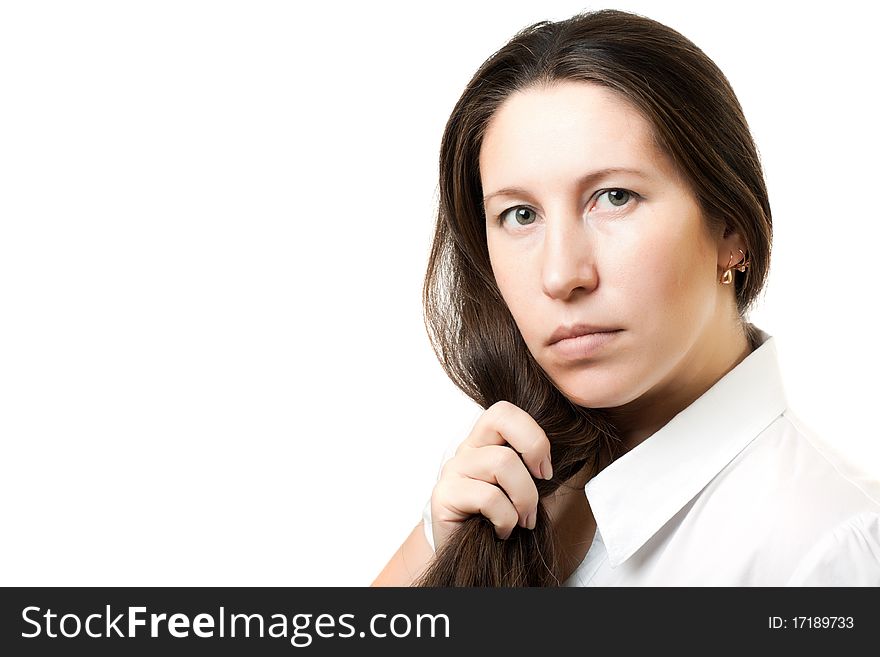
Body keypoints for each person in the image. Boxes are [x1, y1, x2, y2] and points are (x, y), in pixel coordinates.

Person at [372, 9, 880, 586]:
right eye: (520, 215)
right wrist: (440, 555)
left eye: (614, 197)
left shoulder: (826, 550)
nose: (562, 274)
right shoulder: (490, 477)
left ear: (731, 228)